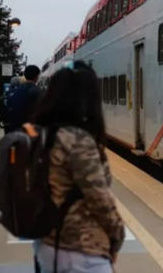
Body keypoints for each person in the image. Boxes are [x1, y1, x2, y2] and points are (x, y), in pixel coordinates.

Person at [31, 60, 125, 273]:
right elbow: (99, 198)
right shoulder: (77, 140)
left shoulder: (39, 135)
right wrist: (117, 236)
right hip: (80, 247)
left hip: (46, 244)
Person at [5, 65, 42, 133]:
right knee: (34, 140)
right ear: (36, 77)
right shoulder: (37, 91)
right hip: (29, 127)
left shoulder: (16, 90)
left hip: (15, 127)